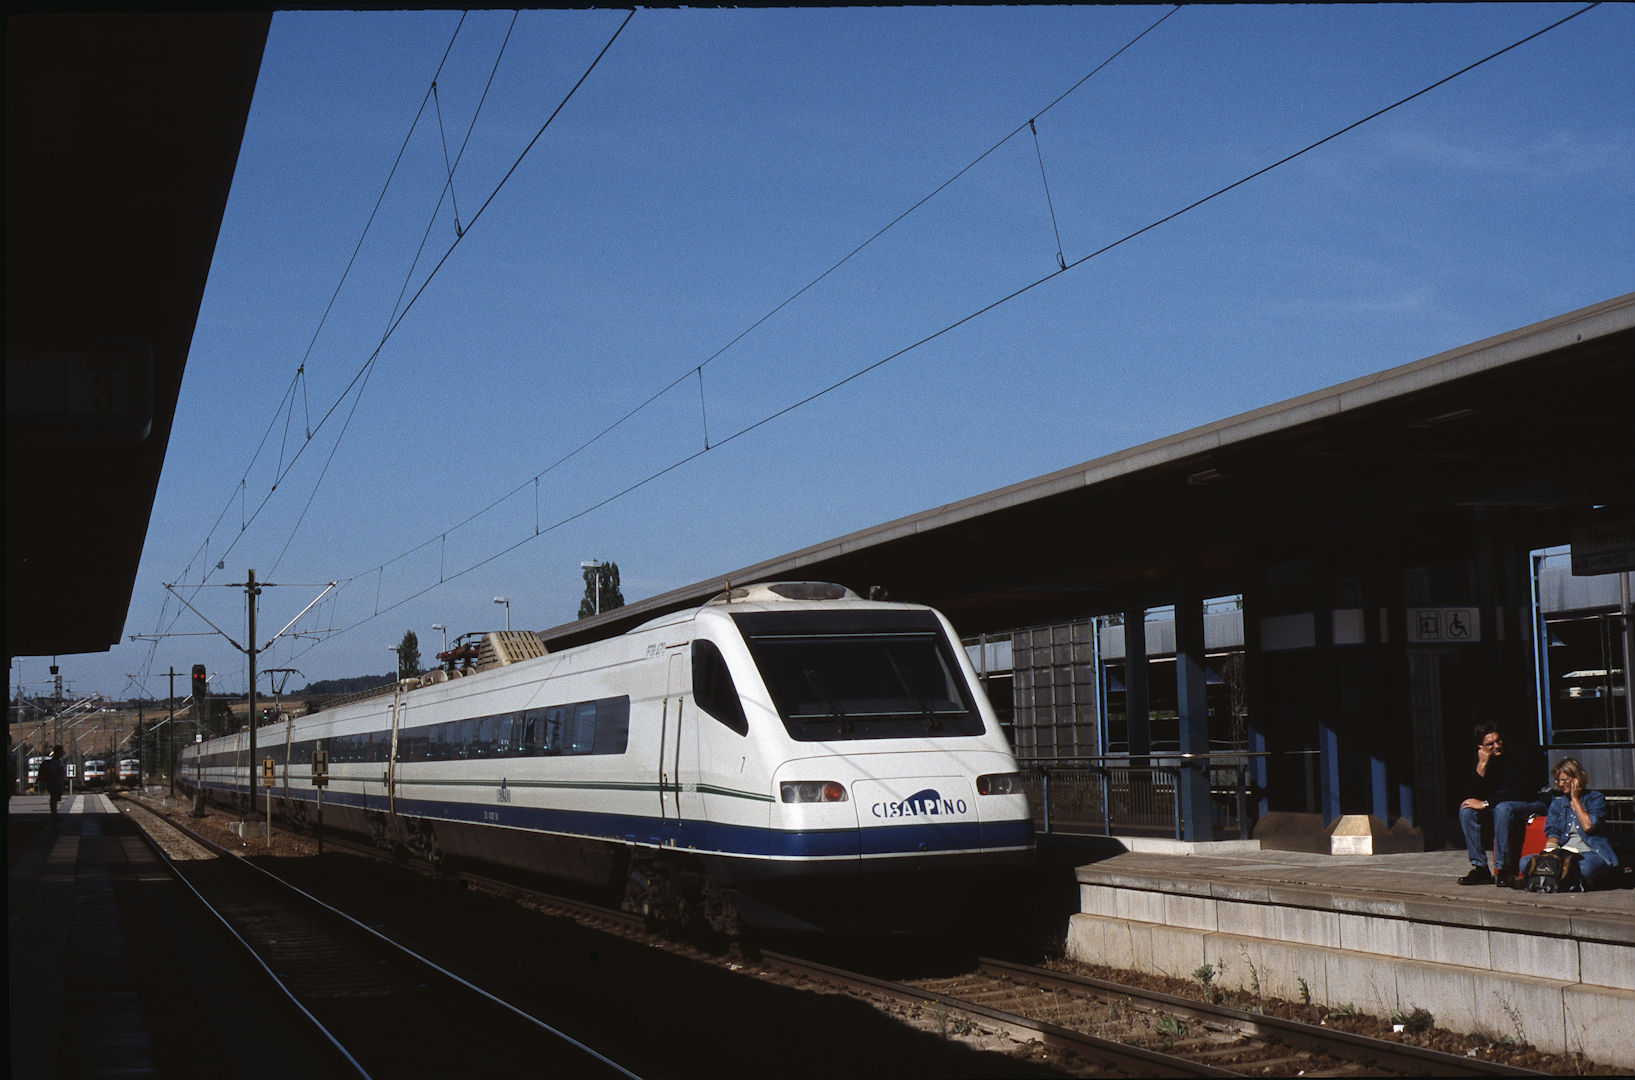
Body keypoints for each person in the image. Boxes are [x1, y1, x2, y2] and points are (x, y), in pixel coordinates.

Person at [1456, 723, 1546, 886]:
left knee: (1502, 809)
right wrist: (1482, 765)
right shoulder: (1482, 758)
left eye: (1498, 741)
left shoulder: (1517, 753)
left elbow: (1520, 790)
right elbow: (1472, 795)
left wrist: (1486, 803)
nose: (1497, 746)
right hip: (1499, 804)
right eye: (1490, 744)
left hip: (1530, 802)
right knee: (1466, 810)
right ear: (1480, 746)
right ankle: (1480, 868)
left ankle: (1503, 870)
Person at [1516, 758, 1621, 890]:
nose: (1560, 784)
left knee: (1585, 869)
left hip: (1590, 853)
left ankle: (1552, 879)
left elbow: (1588, 826)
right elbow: (1553, 832)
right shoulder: (1557, 804)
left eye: (1564, 780)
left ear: (1577, 779)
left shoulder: (1595, 798)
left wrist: (1575, 800)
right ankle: (1566, 880)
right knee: (1525, 862)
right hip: (1565, 854)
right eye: (1558, 781)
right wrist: (1549, 856)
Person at [41, 745, 68, 820]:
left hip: (57, 782)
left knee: (55, 798)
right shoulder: (54, 763)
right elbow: (54, 772)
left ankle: (54, 813)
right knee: (54, 798)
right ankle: (54, 813)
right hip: (54, 782)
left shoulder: (57, 762)